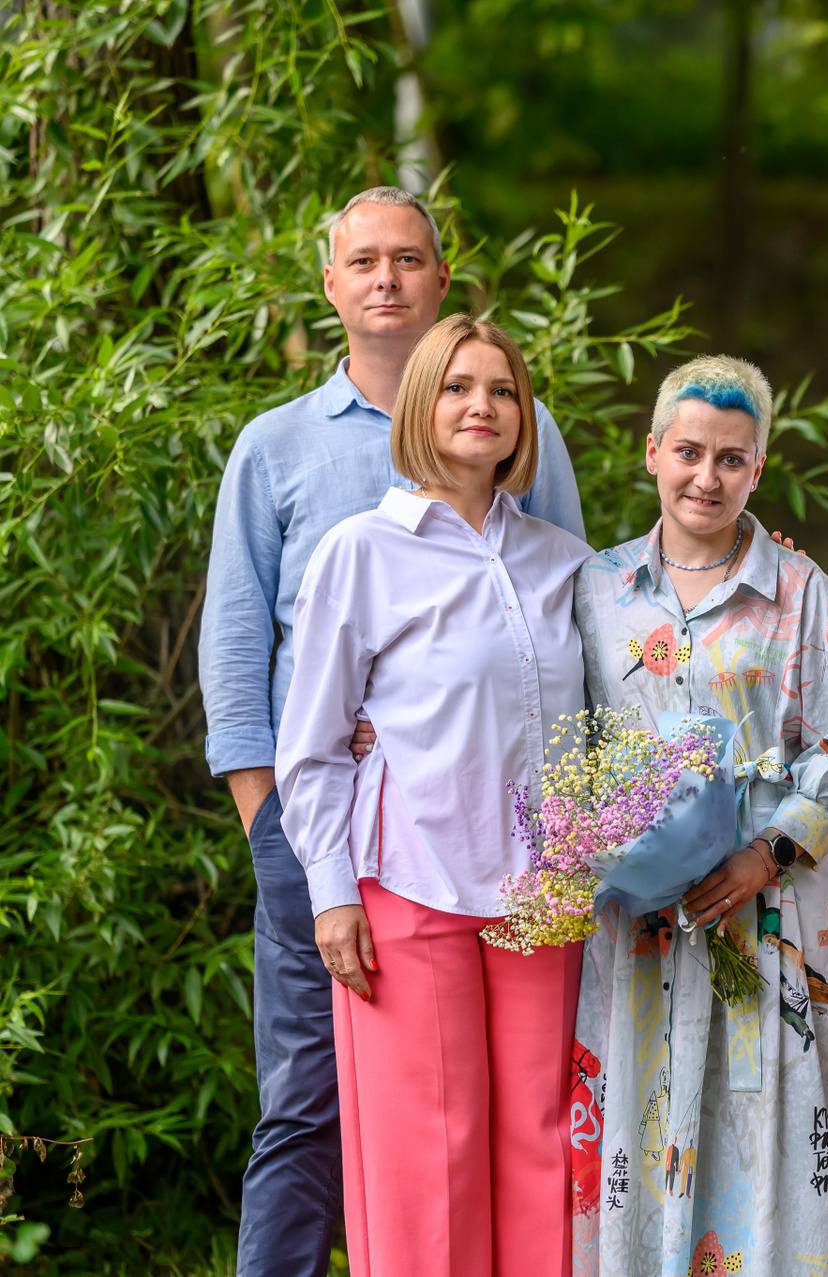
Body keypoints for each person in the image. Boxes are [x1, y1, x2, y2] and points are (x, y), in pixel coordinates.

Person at [198, 186, 583, 1277]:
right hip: (357, 843)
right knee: (324, 1108)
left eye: (407, 258)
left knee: (534, 1124)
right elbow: (244, 656)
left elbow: (595, 643)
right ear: (330, 283)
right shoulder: (292, 465)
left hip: (531, 869)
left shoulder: (547, 533)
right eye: (363, 260)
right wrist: (285, 837)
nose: (385, 277)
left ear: (440, 277)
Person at [275, 315, 593, 1274]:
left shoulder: (563, 561)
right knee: (428, 1151)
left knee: (545, 1140)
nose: (480, 405)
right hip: (409, 883)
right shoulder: (360, 552)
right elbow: (312, 742)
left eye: (501, 390)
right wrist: (331, 892)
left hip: (544, 892)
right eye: (457, 386)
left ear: (524, 416)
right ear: (421, 405)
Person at [568, 356, 828, 1276]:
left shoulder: (799, 587)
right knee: (648, 1109)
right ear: (652, 452)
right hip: (644, 916)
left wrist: (767, 851)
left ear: (759, 466)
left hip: (770, 902)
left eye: (731, 459)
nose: (707, 477)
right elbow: (563, 724)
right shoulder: (597, 589)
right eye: (689, 452)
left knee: (774, 1120)